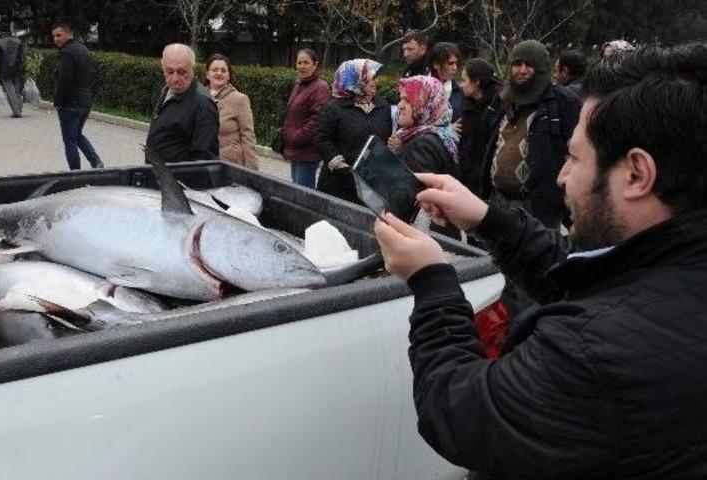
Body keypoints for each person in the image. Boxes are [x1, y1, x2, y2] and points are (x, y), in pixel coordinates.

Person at [374, 42, 707, 479]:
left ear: (636, 175)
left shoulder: (593, 355)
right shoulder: (674, 266)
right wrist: (490, 220)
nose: (562, 175)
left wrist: (433, 282)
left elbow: (463, 413)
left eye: (573, 157)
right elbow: (592, 273)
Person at [480, 40, 581, 229]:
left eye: (529, 65)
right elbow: (486, 133)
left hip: (537, 206)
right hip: (498, 200)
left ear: (542, 68)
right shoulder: (505, 97)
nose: (522, 70)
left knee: (535, 256)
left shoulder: (562, 102)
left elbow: (578, 153)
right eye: (517, 64)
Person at [315, 59, 392, 203]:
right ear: (355, 79)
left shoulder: (383, 107)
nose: (376, 82)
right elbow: (322, 139)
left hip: (370, 186)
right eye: (371, 78)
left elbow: (384, 140)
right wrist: (342, 167)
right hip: (338, 184)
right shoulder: (334, 107)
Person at [147, 44, 219, 163]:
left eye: (181, 72)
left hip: (177, 179)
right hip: (159, 176)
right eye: (170, 71)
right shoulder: (167, 91)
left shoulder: (203, 105)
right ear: (163, 68)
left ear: (192, 68)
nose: (175, 79)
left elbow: (204, 160)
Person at [52, 23, 103, 170]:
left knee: (69, 140)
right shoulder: (83, 49)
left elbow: (64, 81)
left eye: (59, 35)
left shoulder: (67, 53)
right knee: (77, 135)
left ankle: (75, 173)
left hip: (70, 103)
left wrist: (58, 101)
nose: (56, 39)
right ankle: (96, 162)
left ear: (69, 34)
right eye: (54, 36)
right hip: (85, 102)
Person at [281, 48, 330, 188]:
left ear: (315, 65)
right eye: (299, 62)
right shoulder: (299, 85)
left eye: (306, 62)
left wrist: (296, 137)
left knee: (304, 194)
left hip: (307, 152)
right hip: (296, 149)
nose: (302, 66)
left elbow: (317, 120)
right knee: (297, 189)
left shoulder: (320, 87)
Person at [204, 54, 258, 169]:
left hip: (230, 167)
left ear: (229, 75)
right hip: (204, 164)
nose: (219, 73)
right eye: (214, 70)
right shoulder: (199, 98)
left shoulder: (240, 99)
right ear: (207, 74)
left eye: (223, 70)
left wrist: (253, 173)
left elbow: (248, 137)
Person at [458, 58, 503, 195]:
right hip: (467, 177)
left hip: (486, 183)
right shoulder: (468, 104)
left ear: (477, 82)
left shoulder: (498, 108)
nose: (461, 85)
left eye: (464, 80)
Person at [0, 29, 25, 118]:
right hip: (17, 67)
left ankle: (16, 111)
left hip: (5, 68)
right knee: (17, 90)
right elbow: (23, 55)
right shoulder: (18, 41)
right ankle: (19, 109)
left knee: (10, 89)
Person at [428, 42, 463, 123]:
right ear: (436, 64)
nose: (455, 68)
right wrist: (445, 129)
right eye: (450, 63)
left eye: (456, 63)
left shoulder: (459, 91)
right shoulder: (420, 88)